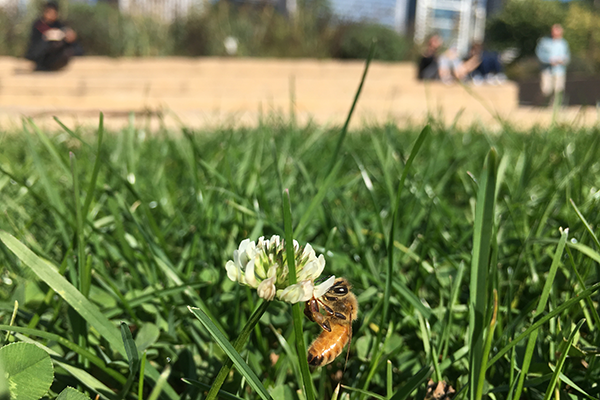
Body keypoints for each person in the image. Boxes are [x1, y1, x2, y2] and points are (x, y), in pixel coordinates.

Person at [25, 1, 82, 71]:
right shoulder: (38, 25)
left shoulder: (59, 24)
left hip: (55, 57)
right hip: (41, 56)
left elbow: (72, 42)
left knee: (66, 49)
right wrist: (48, 37)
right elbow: (34, 46)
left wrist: (70, 37)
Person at [535, 24, 570, 104]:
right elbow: (539, 55)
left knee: (558, 90)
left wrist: (562, 61)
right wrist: (549, 61)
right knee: (546, 90)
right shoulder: (544, 42)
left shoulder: (564, 43)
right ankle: (541, 104)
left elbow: (567, 57)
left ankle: (554, 108)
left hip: (559, 70)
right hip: (547, 70)